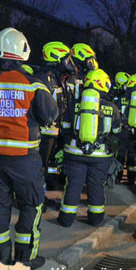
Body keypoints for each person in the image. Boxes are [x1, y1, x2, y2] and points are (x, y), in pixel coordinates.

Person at [0, 27, 58, 269]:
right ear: (21, 52)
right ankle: (26, 258)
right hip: (25, 160)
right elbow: (50, 115)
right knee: (31, 206)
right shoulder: (33, 84)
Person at [58, 69, 121, 227]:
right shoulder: (112, 108)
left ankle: (66, 219)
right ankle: (95, 219)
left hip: (75, 153)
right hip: (100, 157)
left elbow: (64, 127)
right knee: (96, 186)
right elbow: (116, 132)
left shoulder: (75, 104)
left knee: (73, 184)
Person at [36, 41, 77, 206]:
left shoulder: (56, 78)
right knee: (39, 167)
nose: (69, 63)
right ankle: (36, 199)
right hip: (43, 132)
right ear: (56, 59)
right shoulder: (45, 78)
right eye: (67, 59)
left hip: (52, 132)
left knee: (44, 167)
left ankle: (40, 197)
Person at [117, 74, 136, 186]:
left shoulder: (122, 98)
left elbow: (117, 113)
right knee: (133, 158)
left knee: (120, 155)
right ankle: (131, 181)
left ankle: (117, 179)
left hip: (123, 131)